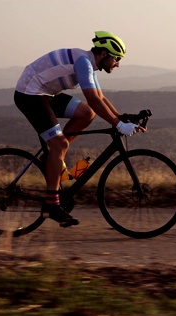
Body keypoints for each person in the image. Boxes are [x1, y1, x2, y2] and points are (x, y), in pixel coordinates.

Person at [14, 31, 144, 227]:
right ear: (104, 54)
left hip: (46, 93)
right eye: (117, 59)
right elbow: (92, 98)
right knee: (60, 145)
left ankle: (52, 155)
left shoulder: (90, 64)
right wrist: (118, 125)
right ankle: (51, 205)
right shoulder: (83, 62)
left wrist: (120, 117)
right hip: (30, 94)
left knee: (87, 113)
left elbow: (99, 98)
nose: (118, 64)